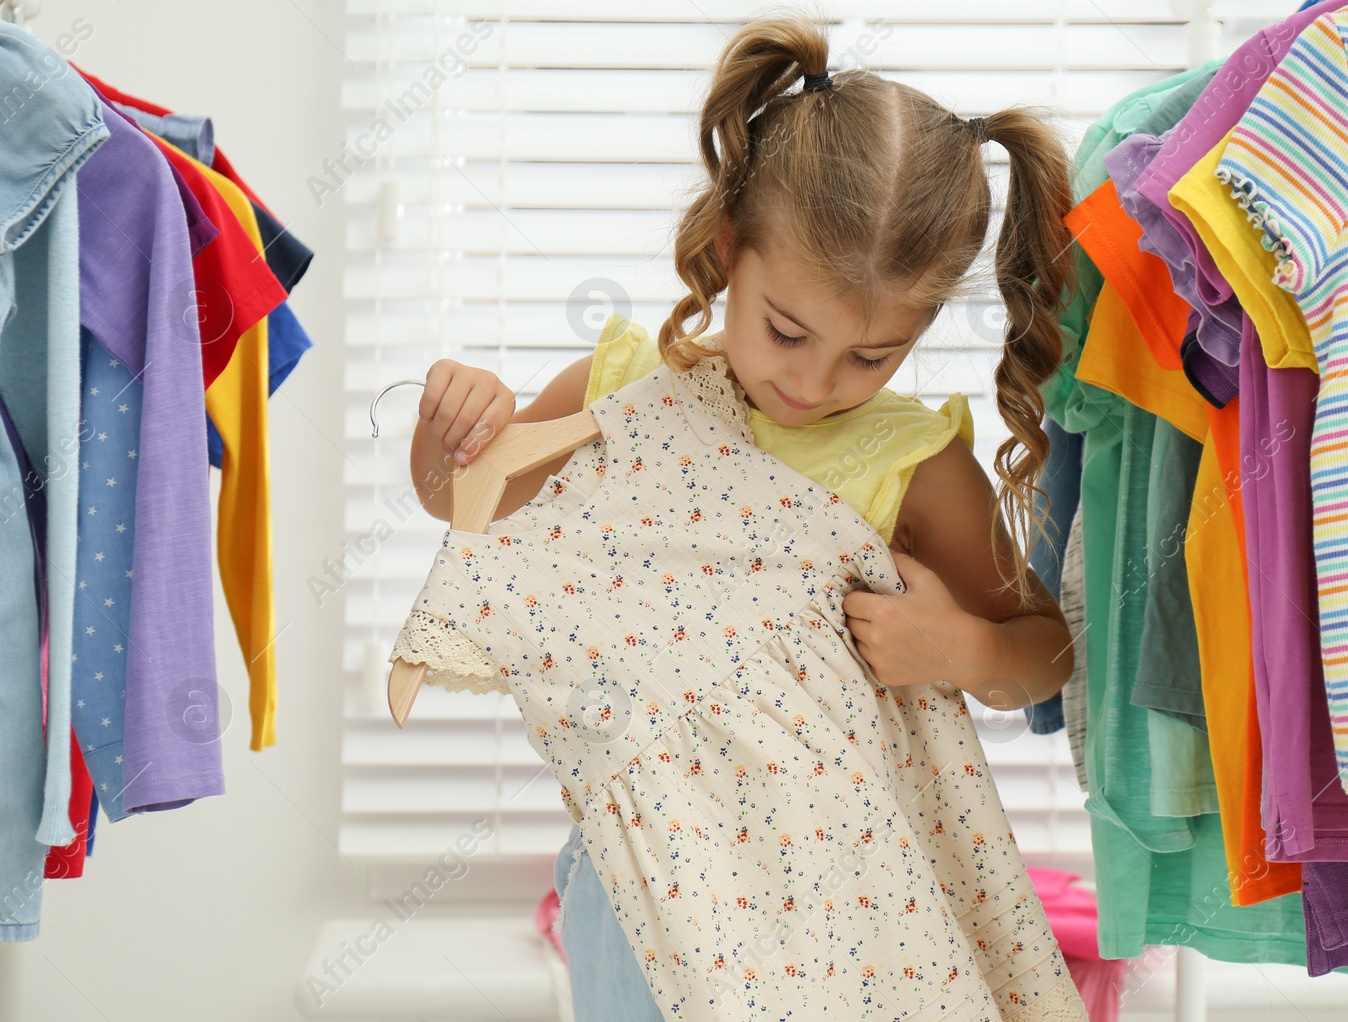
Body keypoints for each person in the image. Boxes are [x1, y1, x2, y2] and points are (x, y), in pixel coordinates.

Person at [407, 16, 1077, 1020]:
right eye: (786, 330)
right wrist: (450, 430)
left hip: (843, 899)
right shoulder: (624, 391)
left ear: (922, 328)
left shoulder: (914, 461)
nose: (813, 381)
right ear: (728, 250)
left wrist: (959, 645)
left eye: (871, 355)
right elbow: (468, 500)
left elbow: (1045, 652)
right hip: (641, 884)